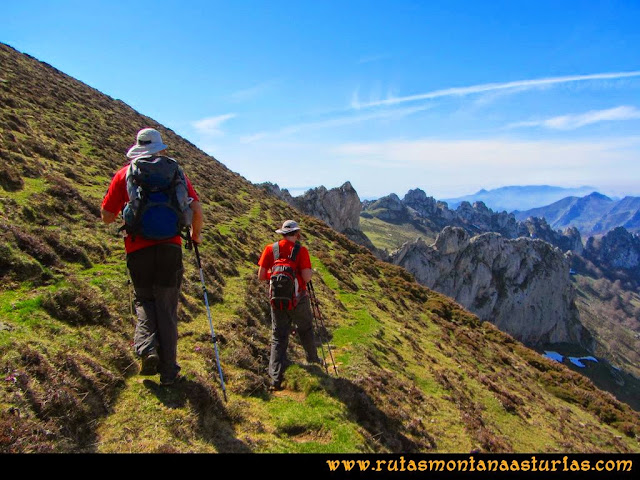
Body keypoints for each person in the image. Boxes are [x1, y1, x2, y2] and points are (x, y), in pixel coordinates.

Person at [101, 127, 203, 386]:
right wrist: (195, 236)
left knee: (145, 300)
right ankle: (169, 372)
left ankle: (147, 349)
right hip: (170, 248)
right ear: (161, 149)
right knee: (166, 308)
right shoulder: (175, 172)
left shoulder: (124, 174)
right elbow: (196, 208)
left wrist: (125, 213)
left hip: (137, 249)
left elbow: (106, 216)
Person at [258, 220, 322, 390]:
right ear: (297, 234)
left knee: (278, 336)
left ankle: (275, 378)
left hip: (277, 299)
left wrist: (277, 276)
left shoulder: (270, 249)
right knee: (306, 329)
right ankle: (313, 361)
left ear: (282, 233)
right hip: (298, 298)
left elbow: (261, 275)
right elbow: (307, 277)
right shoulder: (301, 251)